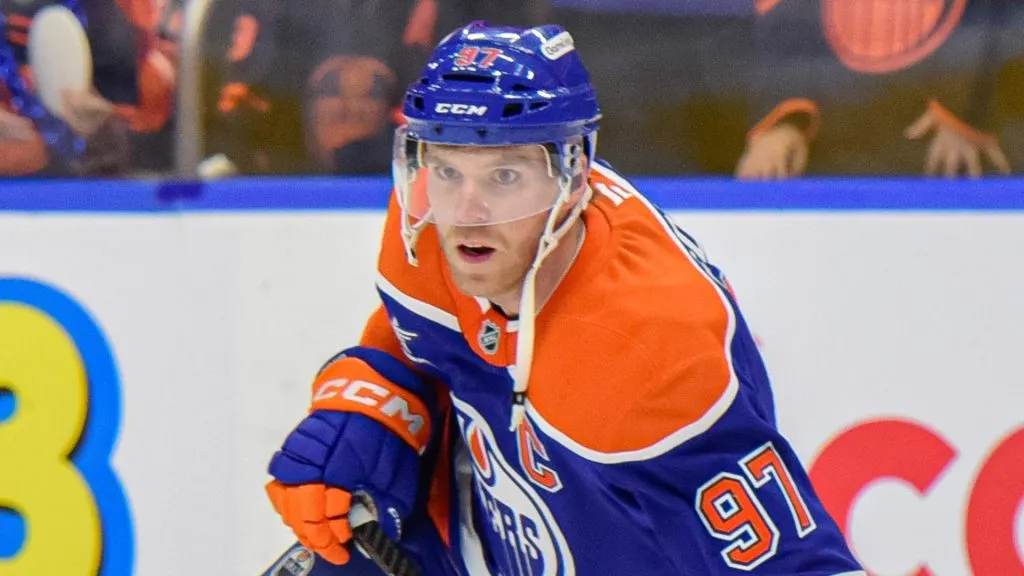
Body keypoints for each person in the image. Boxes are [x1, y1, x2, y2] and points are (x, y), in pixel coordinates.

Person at [261, 21, 865, 575]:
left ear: (573, 177)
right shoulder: (426, 224)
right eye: (446, 171)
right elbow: (418, 343)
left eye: (504, 176)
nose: (467, 213)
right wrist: (371, 409)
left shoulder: (649, 344)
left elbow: (797, 565)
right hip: (464, 544)